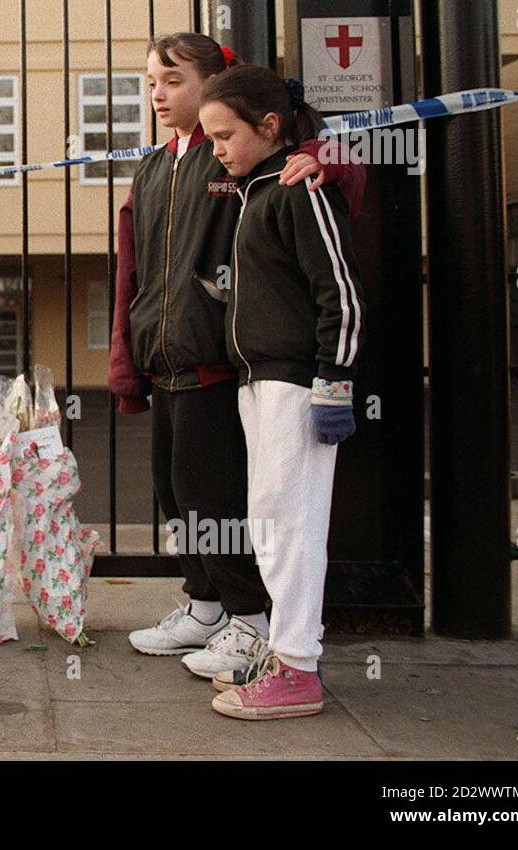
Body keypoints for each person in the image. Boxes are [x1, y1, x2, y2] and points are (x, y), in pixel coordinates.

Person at [110, 33, 365, 683]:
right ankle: (204, 603)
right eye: (150, 83)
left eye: (172, 80)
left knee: (215, 496)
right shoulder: (154, 164)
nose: (159, 95)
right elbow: (132, 269)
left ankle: (249, 617)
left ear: (213, 82)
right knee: (174, 491)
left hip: (222, 360)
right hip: (164, 355)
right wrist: (126, 359)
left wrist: (323, 158)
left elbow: (323, 153)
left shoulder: (241, 158)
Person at [196, 64, 365, 720]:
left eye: (226, 135)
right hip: (260, 380)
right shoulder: (256, 193)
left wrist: (335, 381)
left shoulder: (300, 189)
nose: (218, 149)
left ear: (269, 126)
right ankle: (288, 656)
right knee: (271, 521)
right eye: (209, 138)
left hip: (298, 384)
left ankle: (298, 669)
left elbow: (341, 295)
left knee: (292, 526)